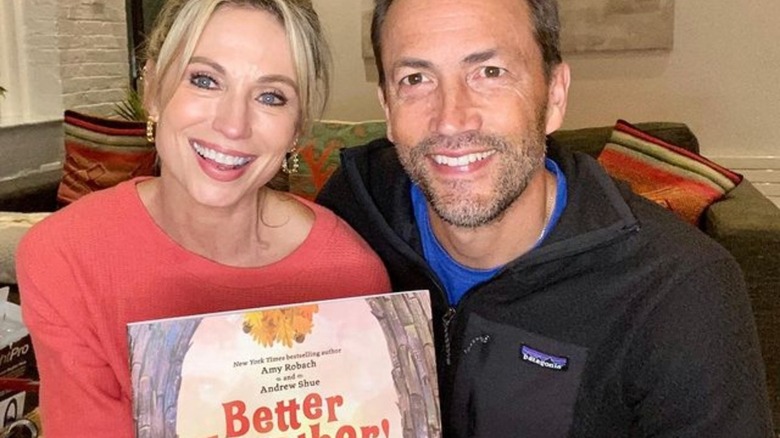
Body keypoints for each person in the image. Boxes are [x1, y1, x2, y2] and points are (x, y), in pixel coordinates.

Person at [316, 0, 774, 436]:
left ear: (554, 95)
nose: (451, 120)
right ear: (388, 110)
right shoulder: (353, 212)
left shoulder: (676, 287)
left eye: (489, 72)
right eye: (416, 79)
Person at [16, 0, 390, 436]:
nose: (233, 124)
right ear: (153, 88)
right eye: (205, 80)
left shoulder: (349, 272)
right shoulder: (63, 256)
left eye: (271, 96)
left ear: (298, 126)